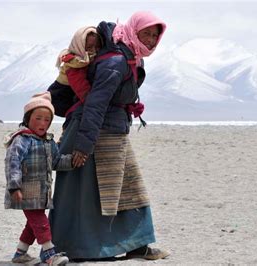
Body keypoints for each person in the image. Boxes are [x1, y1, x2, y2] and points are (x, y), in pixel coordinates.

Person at [49, 11, 169, 261]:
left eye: (154, 36)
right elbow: (96, 103)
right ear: (134, 31)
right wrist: (83, 145)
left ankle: (137, 245)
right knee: (89, 193)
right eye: (145, 33)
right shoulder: (116, 61)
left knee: (128, 187)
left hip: (112, 128)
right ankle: (83, 250)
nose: (150, 40)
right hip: (94, 129)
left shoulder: (130, 56)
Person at [3, 92, 86, 265]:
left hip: (42, 192)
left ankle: (20, 254)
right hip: (25, 191)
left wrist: (72, 161)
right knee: (41, 223)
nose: (42, 123)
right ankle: (49, 255)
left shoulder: (48, 141)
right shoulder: (22, 140)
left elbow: (56, 161)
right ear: (27, 118)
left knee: (33, 225)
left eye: (47, 120)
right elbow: (13, 163)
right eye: (38, 118)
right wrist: (14, 187)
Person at [47, 26, 102, 128]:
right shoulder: (75, 64)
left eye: (97, 47)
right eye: (89, 47)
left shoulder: (86, 61)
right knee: (74, 117)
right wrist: (94, 104)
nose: (94, 50)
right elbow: (82, 89)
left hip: (70, 94)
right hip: (61, 97)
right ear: (79, 46)